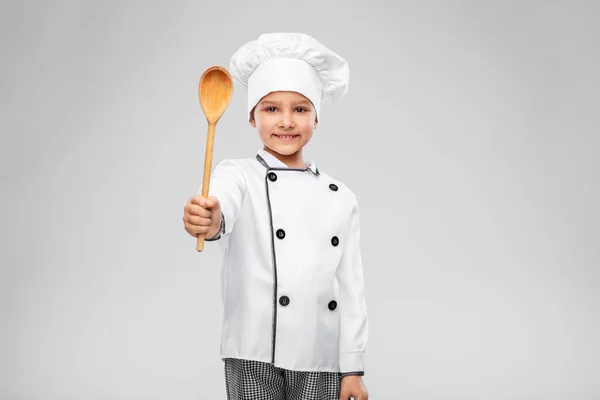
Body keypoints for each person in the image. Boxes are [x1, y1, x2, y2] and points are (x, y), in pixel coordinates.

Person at [183, 32, 369, 400]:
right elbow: (222, 207)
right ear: (252, 117)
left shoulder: (341, 198)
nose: (286, 121)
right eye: (271, 109)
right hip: (252, 349)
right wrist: (210, 218)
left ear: (317, 118)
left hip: (320, 355)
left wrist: (353, 368)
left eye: (300, 109)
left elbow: (351, 289)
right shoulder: (236, 175)